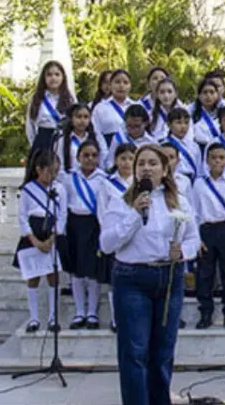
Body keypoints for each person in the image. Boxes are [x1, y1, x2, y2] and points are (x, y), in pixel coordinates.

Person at [99, 144, 200, 405]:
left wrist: (183, 252)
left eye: (153, 163)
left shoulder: (179, 201)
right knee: (134, 351)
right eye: (141, 163)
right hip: (132, 278)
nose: (146, 167)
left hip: (168, 278)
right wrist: (134, 214)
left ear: (165, 169)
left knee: (163, 351)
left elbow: (193, 239)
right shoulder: (121, 200)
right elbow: (107, 244)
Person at [12, 148, 68, 333]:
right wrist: (34, 240)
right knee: (33, 277)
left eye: (56, 172)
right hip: (33, 235)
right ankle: (34, 318)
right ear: (39, 169)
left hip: (51, 234)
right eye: (49, 171)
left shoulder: (59, 188)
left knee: (53, 276)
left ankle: (53, 317)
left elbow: (62, 214)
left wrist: (53, 237)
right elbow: (22, 216)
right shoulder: (28, 189)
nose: (53, 175)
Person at [190, 143, 225, 330]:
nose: (217, 161)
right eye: (213, 158)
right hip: (206, 231)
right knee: (205, 274)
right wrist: (196, 238)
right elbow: (194, 211)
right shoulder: (200, 183)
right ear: (207, 160)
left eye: (221, 157)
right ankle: (206, 313)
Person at [63, 139, 107, 330]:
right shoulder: (68, 178)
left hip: (94, 224)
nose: (90, 159)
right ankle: (79, 311)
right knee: (76, 270)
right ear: (78, 157)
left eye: (94, 155)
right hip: (74, 224)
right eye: (86, 155)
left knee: (92, 270)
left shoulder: (103, 179)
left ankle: (92, 313)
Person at [96, 143, 136, 333]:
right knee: (115, 279)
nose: (127, 163)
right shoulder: (107, 183)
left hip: (136, 238)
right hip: (115, 236)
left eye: (130, 158)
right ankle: (115, 318)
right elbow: (102, 211)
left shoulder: (140, 183)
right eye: (123, 158)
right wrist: (111, 233)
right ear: (116, 161)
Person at [25, 60, 75, 161]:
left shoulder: (70, 98)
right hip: (43, 139)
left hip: (64, 139)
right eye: (49, 75)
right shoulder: (37, 98)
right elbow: (30, 125)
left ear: (63, 77)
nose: (53, 78)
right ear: (44, 78)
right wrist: (35, 144)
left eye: (57, 74)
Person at [102, 105, 158, 171]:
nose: (133, 130)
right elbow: (110, 161)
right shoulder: (119, 138)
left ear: (145, 123)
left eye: (137, 126)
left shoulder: (152, 143)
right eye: (129, 126)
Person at [55, 103, 104, 175]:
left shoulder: (97, 138)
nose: (82, 120)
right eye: (79, 117)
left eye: (86, 117)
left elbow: (103, 160)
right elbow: (60, 166)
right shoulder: (62, 140)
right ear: (71, 119)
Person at [93, 69, 135, 140]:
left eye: (125, 82)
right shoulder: (100, 108)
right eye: (117, 82)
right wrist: (105, 151)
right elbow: (96, 133)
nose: (121, 86)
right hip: (108, 148)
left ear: (130, 86)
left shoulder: (136, 106)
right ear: (111, 85)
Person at [164, 108, 201, 183]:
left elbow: (199, 169)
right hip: (172, 180)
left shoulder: (194, 146)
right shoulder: (163, 145)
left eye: (186, 123)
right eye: (178, 123)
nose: (183, 126)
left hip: (192, 182)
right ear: (169, 125)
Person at [191, 76, 224, 145]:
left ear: (217, 95)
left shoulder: (223, 113)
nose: (208, 96)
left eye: (212, 92)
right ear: (199, 96)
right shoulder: (192, 114)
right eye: (205, 92)